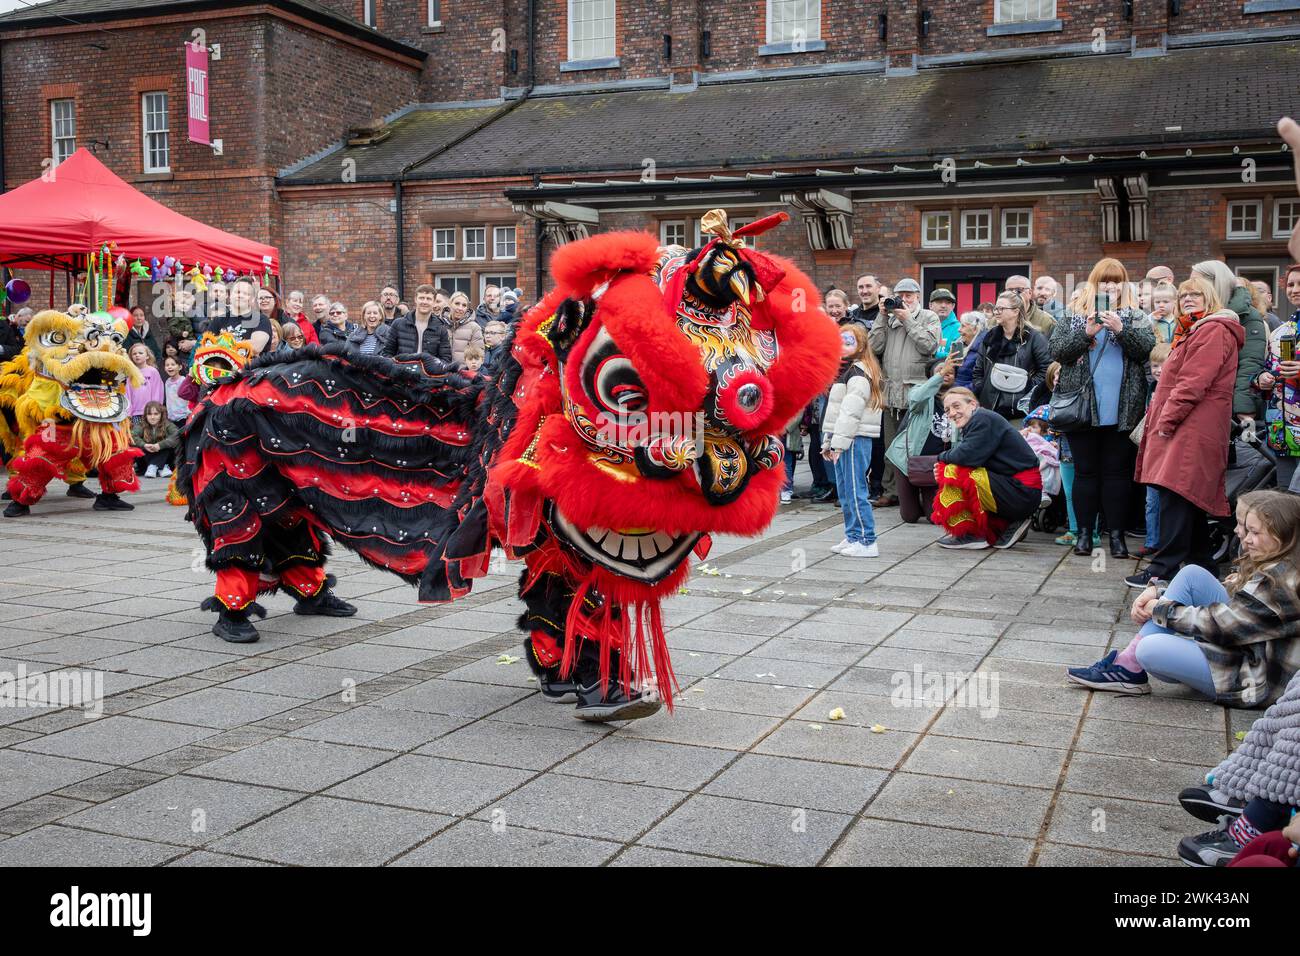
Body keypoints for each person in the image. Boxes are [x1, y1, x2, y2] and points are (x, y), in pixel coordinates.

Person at [1069, 491, 1300, 709]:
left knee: (1150, 649)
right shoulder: (1283, 565)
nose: (1243, 536)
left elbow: (1220, 625)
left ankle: (1129, 665)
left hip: (1254, 681)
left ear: (1283, 536)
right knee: (1192, 575)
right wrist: (1159, 592)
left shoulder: (1278, 583)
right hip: (1249, 649)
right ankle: (1127, 665)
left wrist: (1159, 610)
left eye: (1253, 532)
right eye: (1243, 526)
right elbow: (1235, 598)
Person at [1128, 275, 1243, 588]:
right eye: (1184, 295)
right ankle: (1201, 565)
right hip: (1188, 424)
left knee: (1175, 494)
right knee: (1185, 496)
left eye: (1196, 294)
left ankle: (1163, 568)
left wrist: (1166, 421)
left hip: (1190, 426)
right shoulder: (1196, 330)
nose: (1188, 299)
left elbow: (1192, 383)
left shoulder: (1214, 330)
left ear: (1210, 299)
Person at [1050, 258, 1156, 559]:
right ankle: (1084, 535)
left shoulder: (1135, 316)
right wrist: (1086, 333)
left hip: (1122, 411)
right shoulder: (1074, 315)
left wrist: (1121, 330)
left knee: (1117, 475)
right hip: (1082, 411)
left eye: (1116, 281)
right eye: (1105, 281)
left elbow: (1145, 350)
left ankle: (1117, 537)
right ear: (1094, 284)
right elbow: (1057, 351)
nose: (1110, 286)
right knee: (1085, 473)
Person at [1178, 667, 1300, 867]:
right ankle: (1257, 793)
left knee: (1151, 649)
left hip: (1254, 676)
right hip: (1248, 667)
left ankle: (1268, 810)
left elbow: (1229, 634)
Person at [931, 387, 1041, 550]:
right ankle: (1009, 522)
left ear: (973, 404)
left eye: (957, 406)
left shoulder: (982, 418)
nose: (952, 413)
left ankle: (970, 534)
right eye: (947, 410)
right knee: (952, 467)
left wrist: (940, 458)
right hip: (1020, 491)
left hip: (1021, 492)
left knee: (952, 470)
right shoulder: (980, 420)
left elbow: (966, 456)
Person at [868, 277, 940, 507]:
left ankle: (919, 492)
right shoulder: (887, 319)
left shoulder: (928, 316)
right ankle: (892, 492)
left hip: (916, 393)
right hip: (892, 392)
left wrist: (908, 320)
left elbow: (929, 346)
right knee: (891, 446)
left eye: (909, 295)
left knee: (916, 445)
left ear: (918, 296)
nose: (904, 299)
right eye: (901, 295)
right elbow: (873, 347)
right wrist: (881, 315)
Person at [822, 325, 882, 558]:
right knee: (846, 491)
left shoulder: (859, 373)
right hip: (844, 438)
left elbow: (850, 413)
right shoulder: (847, 371)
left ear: (861, 345)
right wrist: (829, 440)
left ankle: (867, 540)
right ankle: (853, 535)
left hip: (853, 439)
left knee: (856, 490)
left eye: (848, 341)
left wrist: (838, 442)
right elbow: (837, 412)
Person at [1192, 262, 1267, 424]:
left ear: (1215, 283)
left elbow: (1250, 362)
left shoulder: (1247, 315)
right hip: (1197, 397)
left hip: (1226, 402)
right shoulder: (1198, 313)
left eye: (1197, 282)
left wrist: (1244, 408)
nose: (1192, 287)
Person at [885, 357, 956, 524]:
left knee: (933, 517)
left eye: (950, 372)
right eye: (941, 371)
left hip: (934, 465)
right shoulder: (921, 393)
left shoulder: (958, 400)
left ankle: (928, 502)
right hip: (907, 461)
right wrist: (939, 376)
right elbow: (915, 400)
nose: (946, 374)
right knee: (910, 517)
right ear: (931, 375)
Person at [972, 290, 1050, 422]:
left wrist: (1027, 388)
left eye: (1001, 308)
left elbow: (1047, 370)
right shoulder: (990, 336)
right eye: (996, 308)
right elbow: (978, 370)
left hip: (1019, 412)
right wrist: (981, 387)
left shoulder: (1034, 338)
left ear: (1015, 311)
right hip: (989, 409)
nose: (996, 311)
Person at [1138, 342, 1172, 557]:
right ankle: (1152, 540)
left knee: (1166, 501)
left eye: (1163, 365)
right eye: (1154, 366)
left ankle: (1166, 541)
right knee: (1151, 500)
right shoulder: (1151, 388)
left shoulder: (1174, 390)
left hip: (1167, 451)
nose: (1158, 370)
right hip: (1151, 449)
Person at [382, 284, 453, 360]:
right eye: (421, 298)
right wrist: (397, 368)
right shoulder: (398, 324)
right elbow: (387, 353)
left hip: (429, 371)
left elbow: (446, 359)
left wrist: (433, 369)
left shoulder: (440, 328)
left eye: (428, 299)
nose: (424, 302)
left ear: (434, 301)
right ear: (415, 299)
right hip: (402, 370)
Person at [1020, 407, 1060, 506]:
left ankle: (1043, 491)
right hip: (1030, 459)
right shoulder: (1028, 435)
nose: (1030, 429)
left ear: (1043, 429)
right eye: (1029, 426)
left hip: (1039, 462)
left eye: (1034, 427)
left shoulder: (1046, 439)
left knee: (1046, 463)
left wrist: (1054, 447)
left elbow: (1048, 449)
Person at [132, 401, 179, 478]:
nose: (152, 417)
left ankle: (154, 466)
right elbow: (132, 436)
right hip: (145, 459)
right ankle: (161, 467)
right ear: (145, 415)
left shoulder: (168, 424)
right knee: (139, 447)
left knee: (168, 446)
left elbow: (176, 436)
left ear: (161, 414)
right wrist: (144, 445)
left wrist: (159, 445)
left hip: (166, 457)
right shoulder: (141, 425)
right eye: (149, 414)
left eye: (156, 414)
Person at [125, 343, 164, 422]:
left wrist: (155, 410)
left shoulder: (153, 371)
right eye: (134, 354)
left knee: (150, 434)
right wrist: (128, 412)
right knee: (137, 433)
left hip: (150, 413)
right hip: (135, 413)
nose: (137, 355)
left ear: (147, 356)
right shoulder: (130, 373)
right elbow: (127, 394)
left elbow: (157, 392)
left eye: (140, 353)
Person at [443, 291, 484, 365]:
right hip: (442, 372)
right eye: (457, 304)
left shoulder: (474, 328)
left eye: (464, 305)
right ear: (450, 304)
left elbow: (478, 355)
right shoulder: (440, 324)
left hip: (464, 373)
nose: (460, 308)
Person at [954, 311, 987, 389]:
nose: (959, 329)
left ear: (975, 329)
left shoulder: (984, 349)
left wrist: (961, 393)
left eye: (963, 326)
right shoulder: (959, 345)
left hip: (968, 397)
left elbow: (980, 382)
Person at [930, 288, 961, 358]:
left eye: (948, 302)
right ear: (930, 305)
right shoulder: (922, 325)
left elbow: (958, 357)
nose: (943, 306)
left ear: (953, 306)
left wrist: (933, 353)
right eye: (939, 302)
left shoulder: (959, 329)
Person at [162, 355, 190, 428]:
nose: (169, 367)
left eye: (173, 364)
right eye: (167, 365)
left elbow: (189, 398)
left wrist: (189, 412)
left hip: (184, 416)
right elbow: (168, 399)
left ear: (180, 367)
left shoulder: (183, 380)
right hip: (172, 417)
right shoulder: (167, 382)